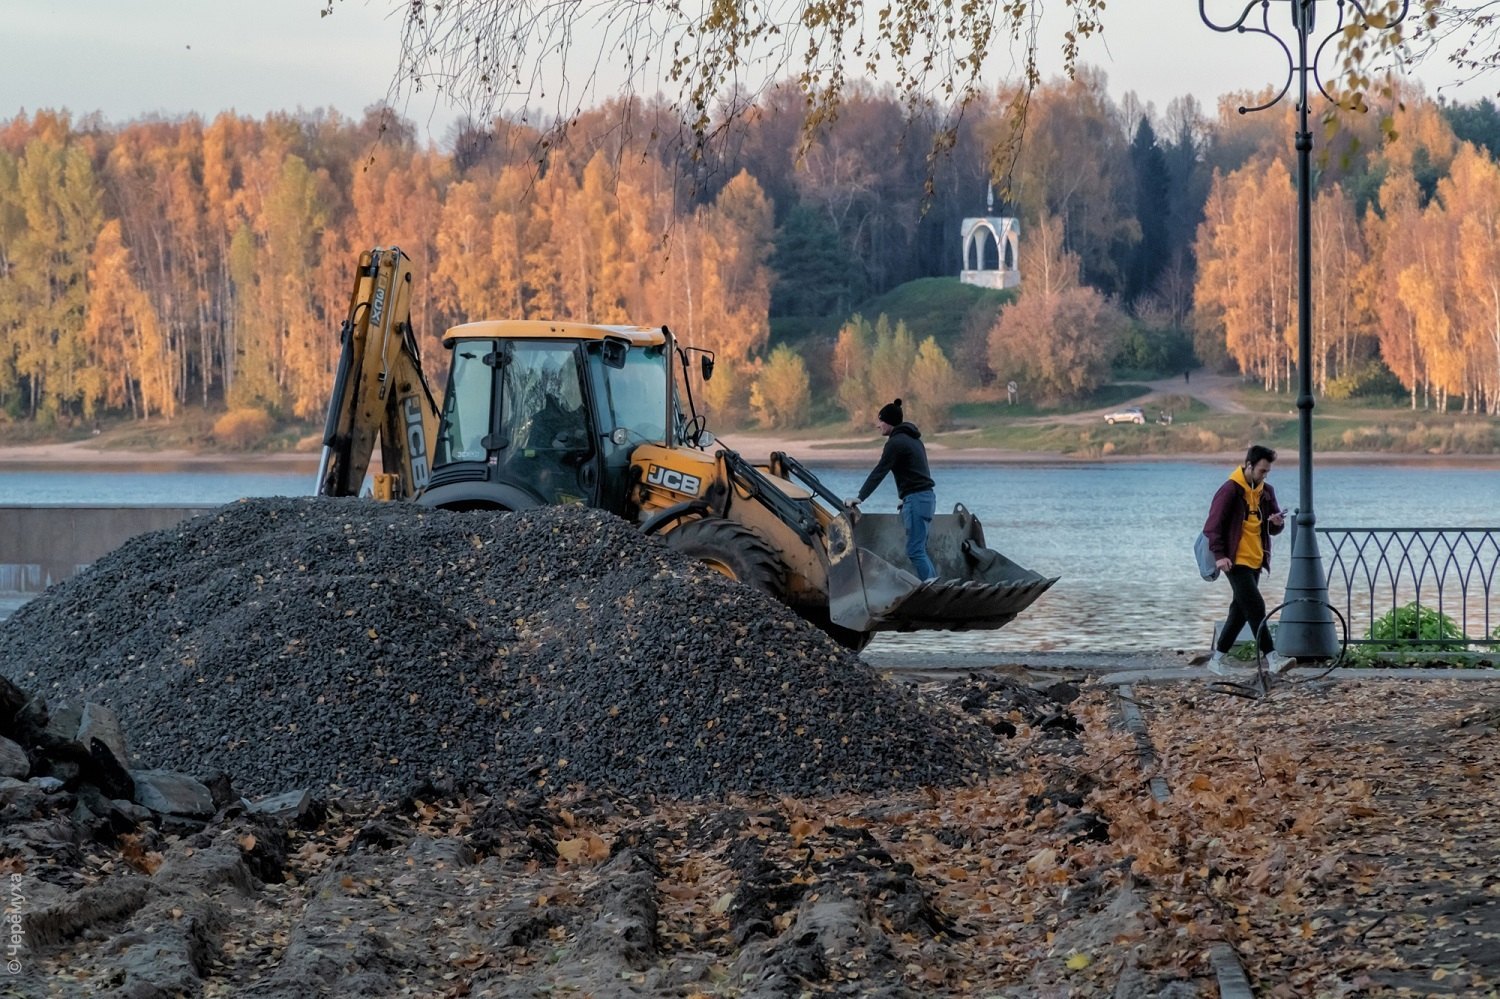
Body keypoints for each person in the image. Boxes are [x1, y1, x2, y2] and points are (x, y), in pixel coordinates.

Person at [1202, 444, 1296, 676]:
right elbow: (1212, 527)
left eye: (1267, 472)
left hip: (1256, 559)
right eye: (1262, 470)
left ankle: (1216, 660)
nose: (1264, 475)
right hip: (1234, 561)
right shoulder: (1229, 490)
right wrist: (1220, 556)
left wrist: (1276, 523)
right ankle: (1273, 659)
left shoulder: (1267, 491)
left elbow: (1272, 529)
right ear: (1249, 465)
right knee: (1256, 606)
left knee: (1240, 611)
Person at [846, 398, 938, 582]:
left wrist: (859, 497)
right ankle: (934, 585)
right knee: (919, 548)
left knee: (915, 550)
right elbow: (917, 471)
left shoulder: (896, 443)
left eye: (880, 421)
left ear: (888, 422)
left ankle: (932, 588)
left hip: (917, 500)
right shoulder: (914, 440)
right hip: (925, 498)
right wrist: (905, 496)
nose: (878, 425)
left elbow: (880, 471)